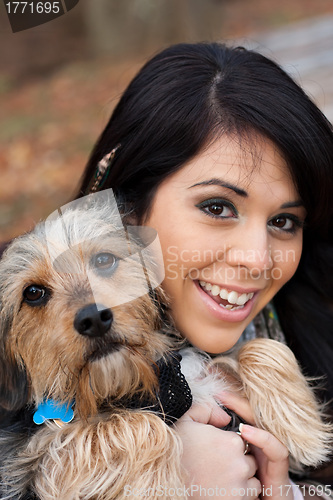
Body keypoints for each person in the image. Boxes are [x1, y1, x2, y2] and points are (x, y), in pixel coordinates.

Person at [75, 41, 333, 498]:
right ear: (127, 209)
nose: (257, 260)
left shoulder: (312, 331)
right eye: (218, 207)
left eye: (284, 221)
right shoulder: (16, 346)